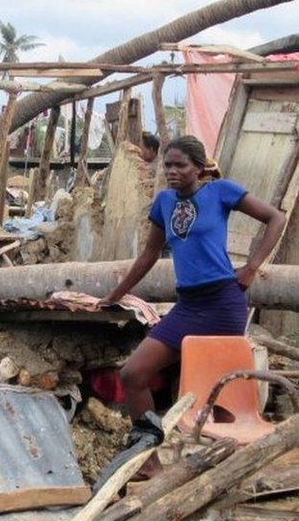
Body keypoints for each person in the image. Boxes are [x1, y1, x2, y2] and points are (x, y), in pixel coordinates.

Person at [102, 134, 287, 477]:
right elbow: (148, 255)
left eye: (180, 165)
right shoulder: (163, 203)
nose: (171, 171)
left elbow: (276, 218)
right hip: (187, 306)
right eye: (167, 165)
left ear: (199, 168)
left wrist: (251, 266)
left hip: (222, 303)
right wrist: (116, 294)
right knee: (132, 374)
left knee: (218, 395)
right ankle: (150, 461)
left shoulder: (221, 192)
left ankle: (232, 467)